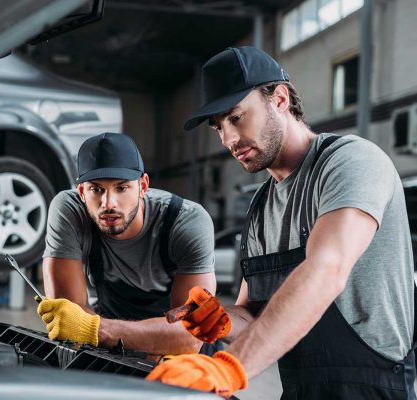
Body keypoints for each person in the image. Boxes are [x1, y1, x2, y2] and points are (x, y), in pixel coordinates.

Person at [147, 46, 416, 399]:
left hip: (372, 389)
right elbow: (252, 313)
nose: (228, 139)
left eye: (236, 117)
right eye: (218, 127)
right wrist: (223, 320)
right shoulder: (261, 206)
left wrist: (230, 366)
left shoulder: (350, 161)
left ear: (280, 99)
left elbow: (326, 268)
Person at [37, 132, 217, 355]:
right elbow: (71, 320)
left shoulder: (187, 221)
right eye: (96, 189)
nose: (108, 204)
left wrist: (96, 329)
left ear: (143, 186)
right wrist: (99, 331)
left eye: (121, 188)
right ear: (82, 191)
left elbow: (190, 335)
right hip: (112, 343)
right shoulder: (70, 211)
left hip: (183, 356)